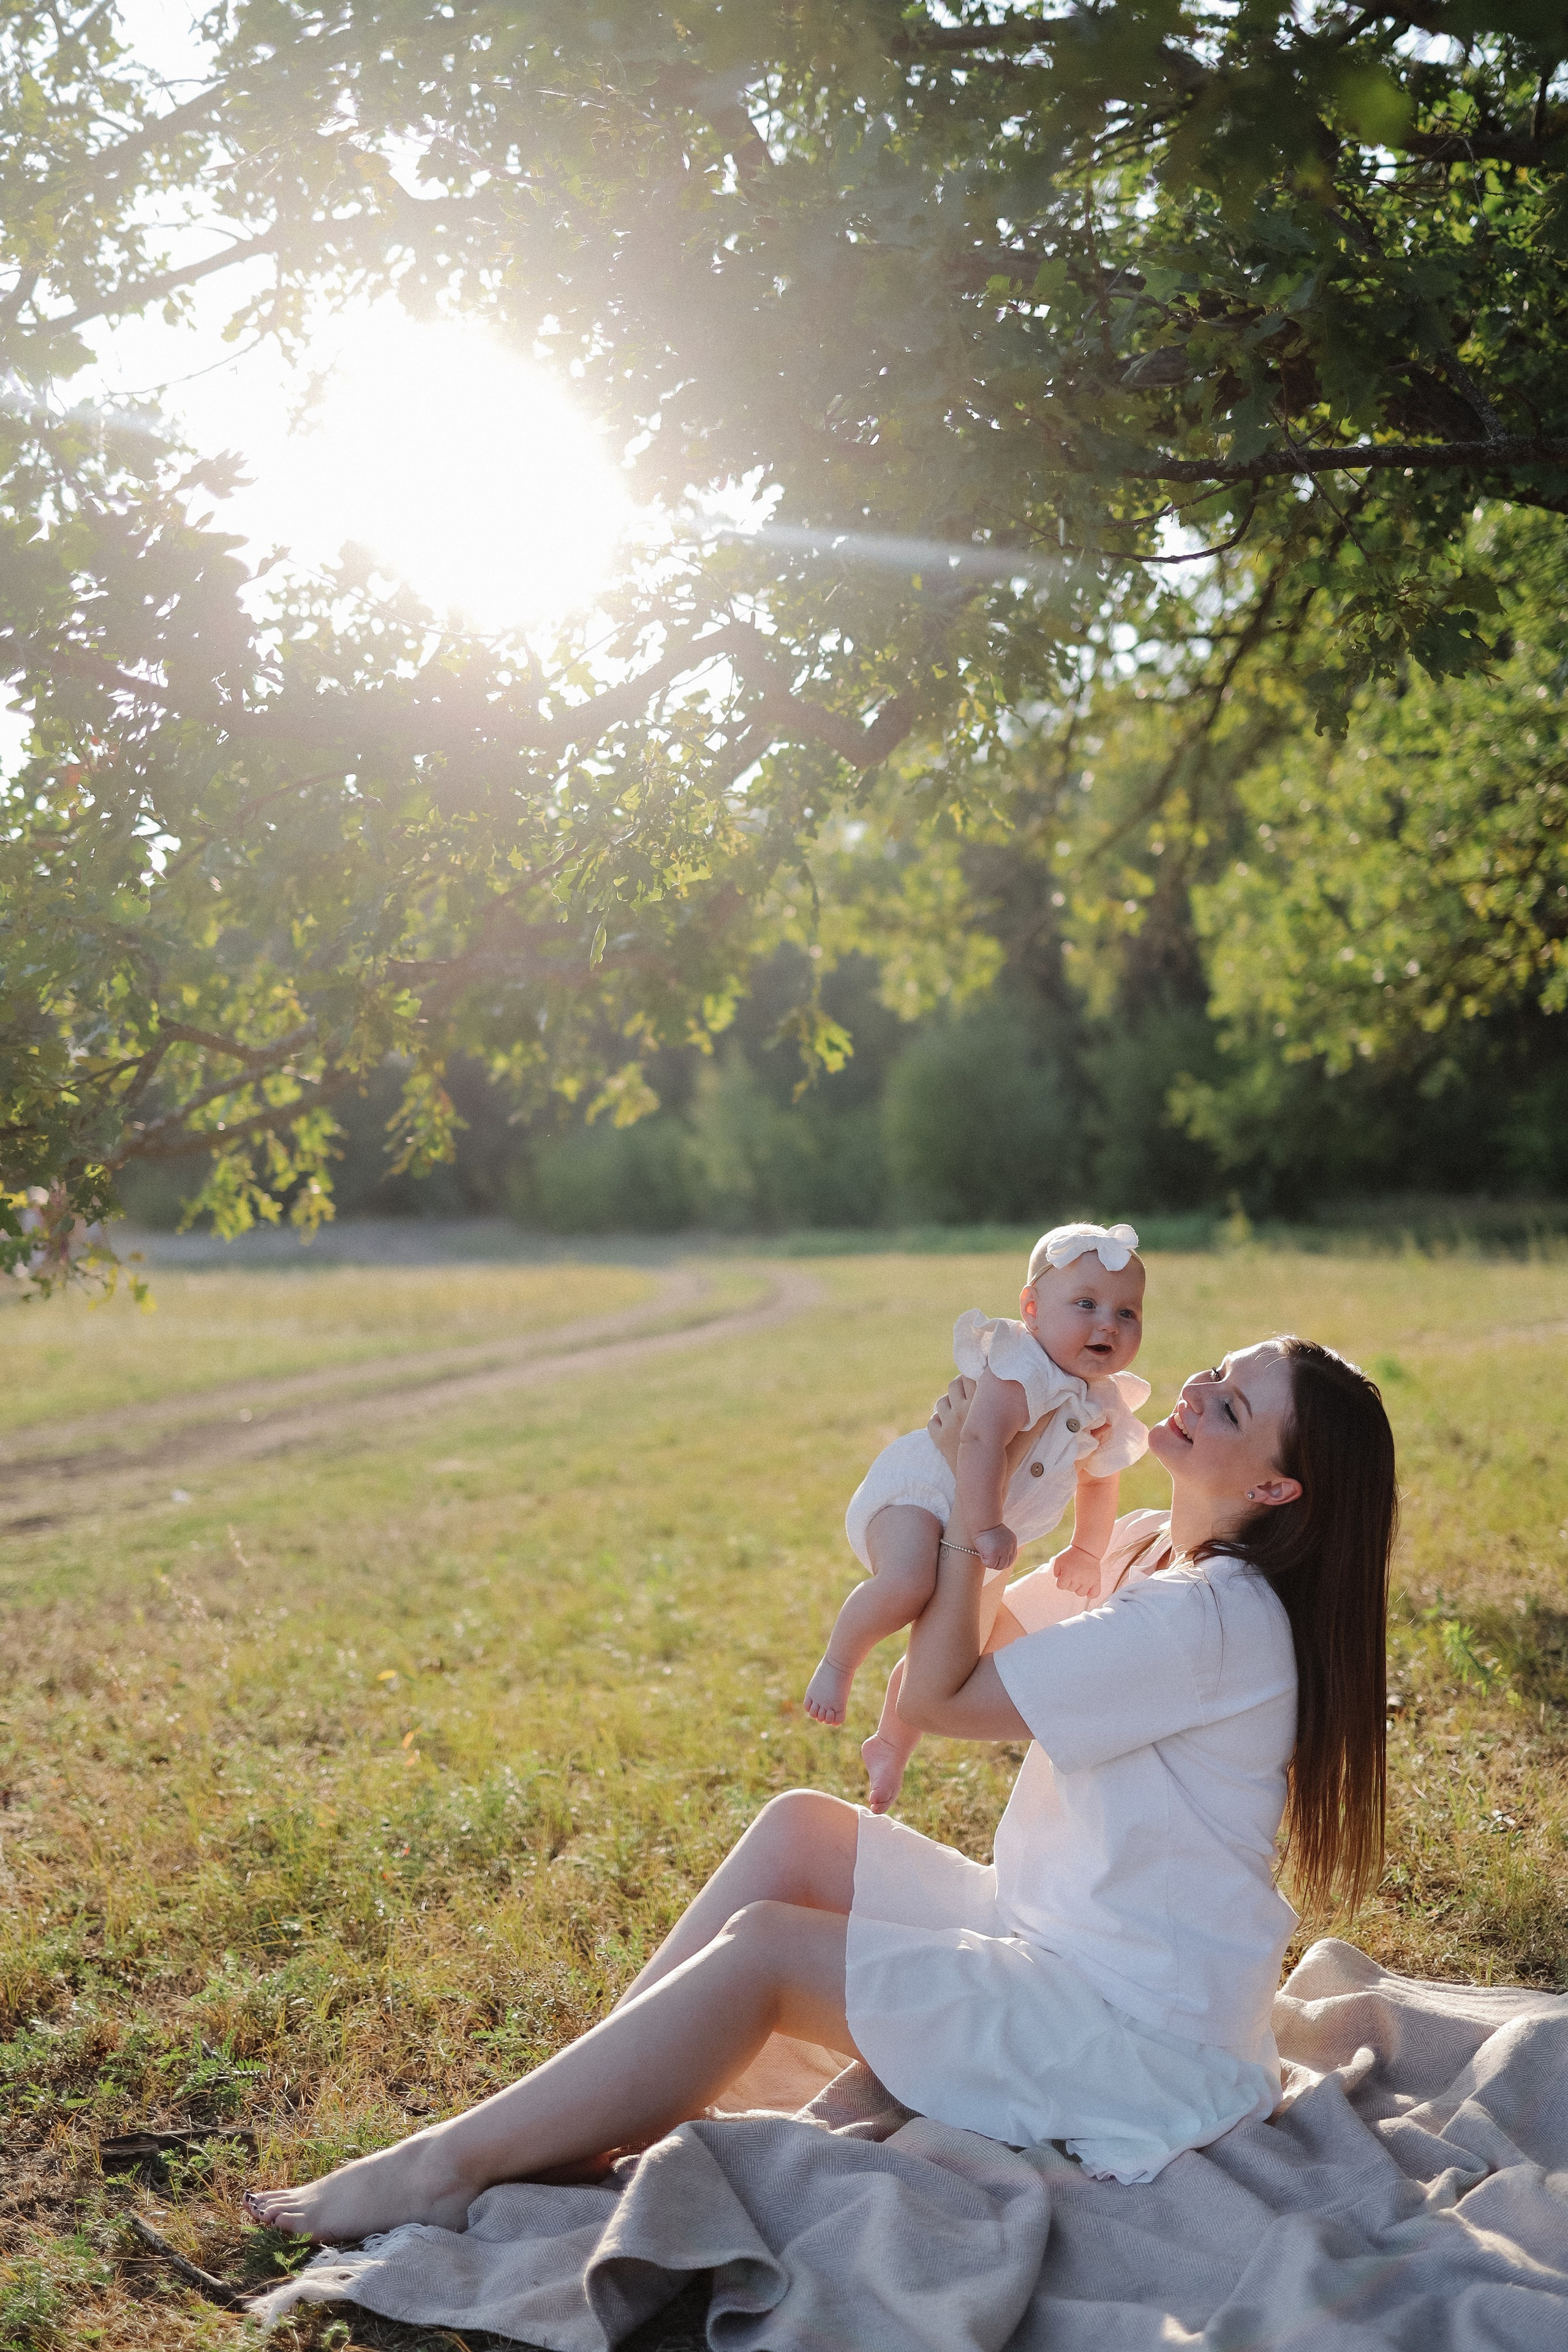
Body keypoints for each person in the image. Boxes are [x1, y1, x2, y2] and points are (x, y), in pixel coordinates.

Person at [244, 1333, 1396, 2242]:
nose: (1196, 1392)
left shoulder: (1208, 1623)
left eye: (1233, 1409)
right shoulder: (1153, 1546)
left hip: (1130, 2035)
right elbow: (981, 1636)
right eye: (1214, 1375)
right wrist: (988, 1489)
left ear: (1283, 1491)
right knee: (800, 1830)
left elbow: (944, 1698)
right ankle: (585, 2103)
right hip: (1054, 1935)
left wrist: (973, 1476)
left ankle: (449, 2167)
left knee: (766, 1951)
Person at [804, 1221, 1152, 1812]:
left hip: (986, 1535)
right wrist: (987, 1526)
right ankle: (837, 1663)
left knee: (958, 1643)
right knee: (910, 1583)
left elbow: (1101, 1481)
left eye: (1127, 1313)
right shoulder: (1020, 1366)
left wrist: (1087, 1550)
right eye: (1087, 1304)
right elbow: (979, 1441)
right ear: (1033, 1309)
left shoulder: (1106, 1401)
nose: (1107, 1324)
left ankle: (890, 1744)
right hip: (926, 1496)